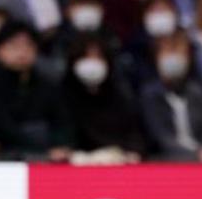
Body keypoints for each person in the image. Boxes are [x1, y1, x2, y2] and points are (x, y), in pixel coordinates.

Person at [0, 20, 72, 161]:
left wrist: (60, 145)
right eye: (14, 46)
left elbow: (62, 123)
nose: (22, 52)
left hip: (46, 156)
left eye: (28, 45)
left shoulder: (49, 86)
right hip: (1, 158)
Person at [140, 30, 202, 161]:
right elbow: (160, 138)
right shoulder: (149, 94)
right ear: (157, 57)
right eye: (168, 52)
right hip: (165, 161)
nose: (174, 58)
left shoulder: (198, 92)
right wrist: (196, 155)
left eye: (179, 52)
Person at [62, 33, 147, 162]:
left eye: (98, 57)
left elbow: (134, 132)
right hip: (79, 161)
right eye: (86, 57)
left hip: (118, 158)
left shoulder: (119, 93)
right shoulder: (63, 94)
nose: (92, 63)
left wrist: (133, 151)